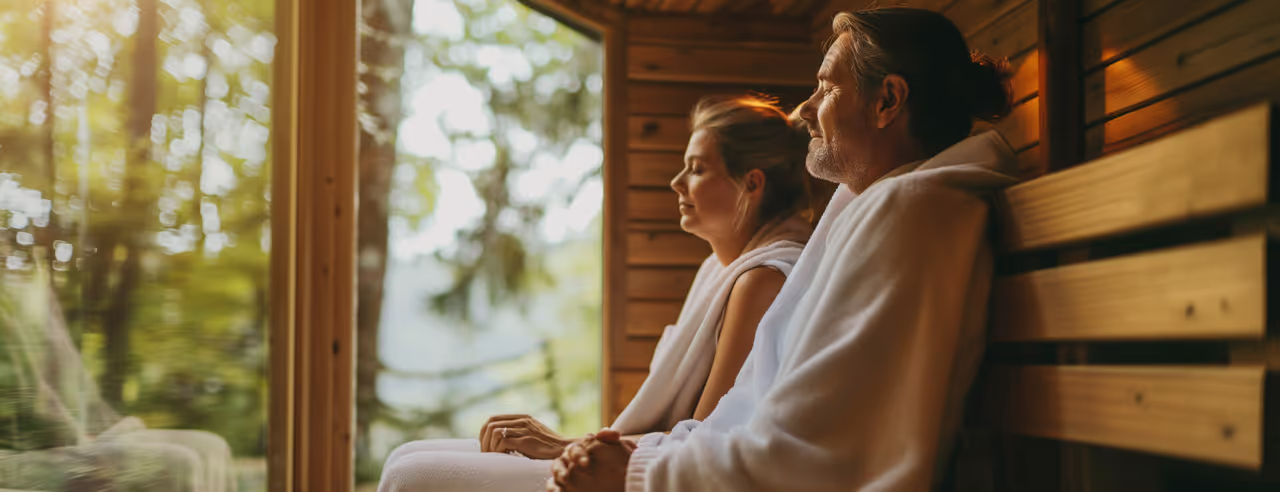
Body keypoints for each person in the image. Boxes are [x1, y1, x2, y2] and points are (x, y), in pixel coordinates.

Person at [548, 7, 1019, 492]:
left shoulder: (914, 215)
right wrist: (639, 452)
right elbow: (754, 412)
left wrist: (639, 472)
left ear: (888, 101)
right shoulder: (876, 211)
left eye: (827, 88)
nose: (804, 109)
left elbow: (822, 455)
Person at [377, 94, 816, 492]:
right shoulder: (718, 270)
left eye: (698, 169)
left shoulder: (763, 279)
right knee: (406, 455)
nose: (677, 182)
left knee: (411, 476)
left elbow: (706, 437)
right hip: (654, 453)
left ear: (751, 184)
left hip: (667, 472)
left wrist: (565, 445)